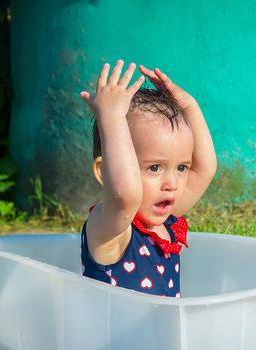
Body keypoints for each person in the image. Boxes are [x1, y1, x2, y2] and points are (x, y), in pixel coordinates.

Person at [78, 60, 217, 297]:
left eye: (181, 167)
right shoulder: (112, 230)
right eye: (154, 168)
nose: (171, 183)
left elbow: (205, 169)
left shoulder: (163, 222)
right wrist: (111, 116)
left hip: (159, 334)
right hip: (113, 335)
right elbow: (126, 195)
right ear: (104, 171)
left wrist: (190, 107)